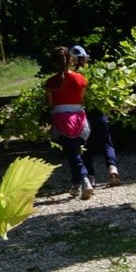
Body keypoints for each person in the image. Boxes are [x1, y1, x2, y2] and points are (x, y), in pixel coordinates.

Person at [44, 44, 93, 199]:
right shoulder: (81, 79)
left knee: (72, 154)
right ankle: (76, 185)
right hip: (79, 119)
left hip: (61, 120)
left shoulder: (51, 82)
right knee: (75, 152)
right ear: (71, 60)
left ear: (54, 62)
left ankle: (85, 180)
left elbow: (51, 104)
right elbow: (81, 100)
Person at [71, 44, 122, 187]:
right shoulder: (96, 74)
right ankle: (112, 168)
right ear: (85, 59)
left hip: (82, 116)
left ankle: (91, 177)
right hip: (98, 114)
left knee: (85, 146)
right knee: (106, 142)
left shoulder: (70, 77)